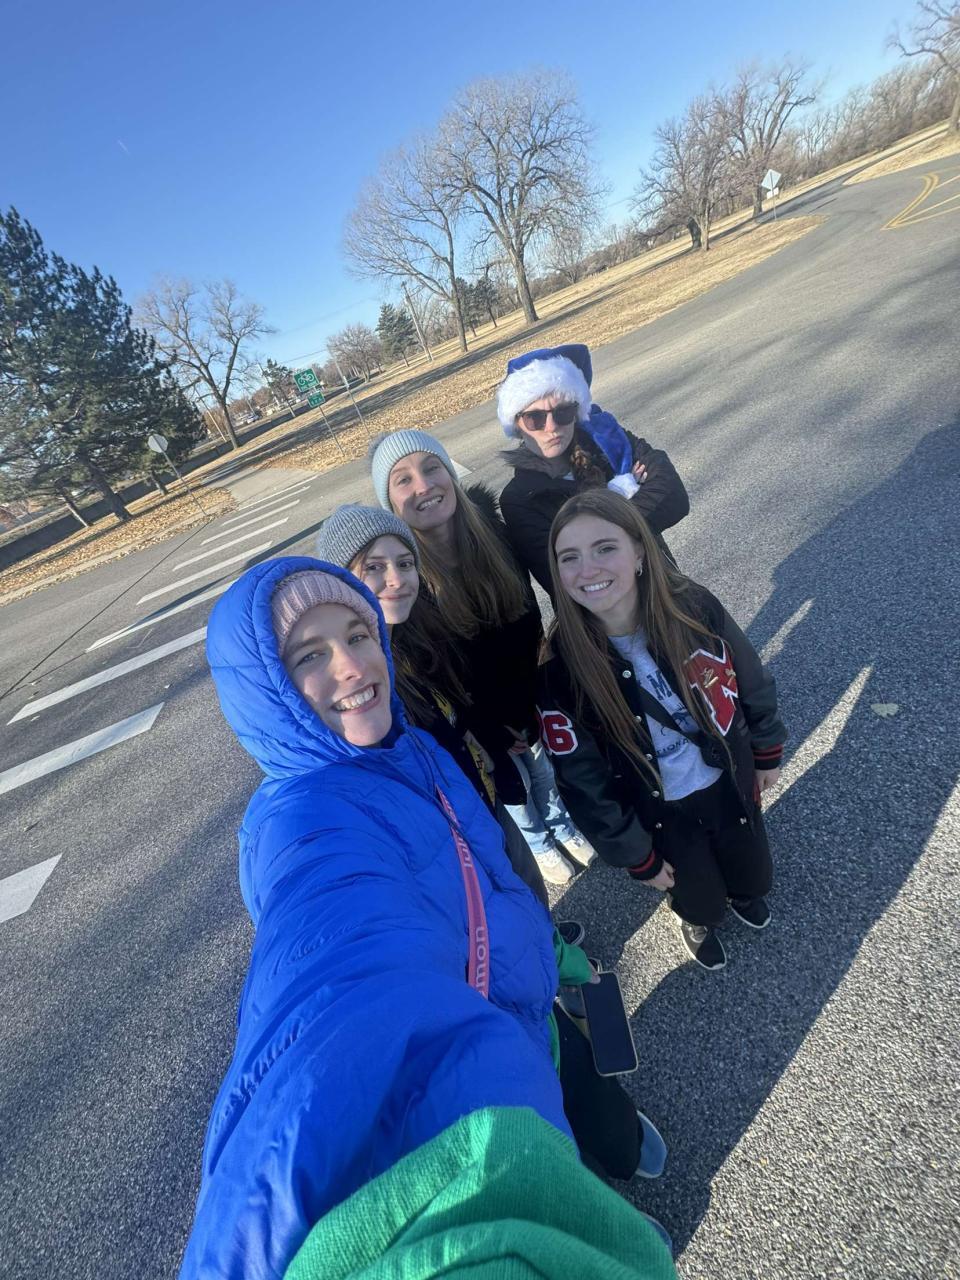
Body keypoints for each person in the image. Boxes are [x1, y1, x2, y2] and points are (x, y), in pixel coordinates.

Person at [180, 556, 672, 1279]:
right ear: (264, 690)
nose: (352, 665)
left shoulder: (411, 749)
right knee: (552, 1151)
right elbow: (339, 981)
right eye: (309, 656)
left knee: (593, 1104)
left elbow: (483, 876)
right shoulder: (303, 824)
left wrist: (548, 951)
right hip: (480, 1044)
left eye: (358, 635)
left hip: (523, 999)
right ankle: (585, 1206)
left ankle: (616, 1156)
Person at [537, 490, 787, 972]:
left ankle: (741, 890)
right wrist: (635, 853)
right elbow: (581, 779)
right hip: (660, 810)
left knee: (754, 877)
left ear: (638, 551)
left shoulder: (692, 607)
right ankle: (695, 917)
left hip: (726, 779)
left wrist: (766, 747)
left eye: (604, 548)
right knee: (700, 900)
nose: (588, 569)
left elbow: (749, 674)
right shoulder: (559, 670)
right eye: (570, 557)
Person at [369, 428, 595, 886]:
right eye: (403, 479)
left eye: (432, 468)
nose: (424, 486)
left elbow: (526, 615)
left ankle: (560, 823)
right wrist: (488, 726)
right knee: (514, 783)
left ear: (450, 474)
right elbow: (431, 674)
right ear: (389, 502)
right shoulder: (403, 578)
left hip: (524, 689)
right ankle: (536, 839)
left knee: (542, 765)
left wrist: (535, 693)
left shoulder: (493, 530)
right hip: (477, 714)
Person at [315, 502, 548, 905]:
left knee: (524, 884)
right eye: (374, 567)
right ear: (341, 580)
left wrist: (489, 739)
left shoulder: (420, 631)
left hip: (481, 799)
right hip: (444, 836)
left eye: (405, 563)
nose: (396, 579)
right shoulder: (355, 677)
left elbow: (461, 700)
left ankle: (552, 941)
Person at [497, 343, 690, 595]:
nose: (551, 427)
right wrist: (627, 501)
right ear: (517, 424)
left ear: (576, 412)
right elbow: (561, 577)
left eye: (563, 412)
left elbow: (674, 497)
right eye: (535, 418)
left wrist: (591, 541)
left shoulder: (609, 443)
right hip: (599, 618)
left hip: (667, 591)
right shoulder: (520, 498)